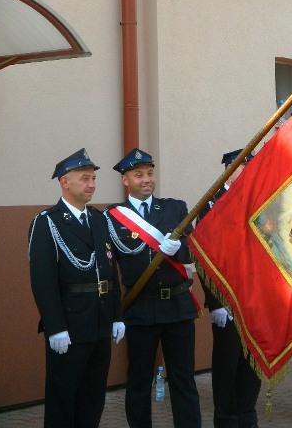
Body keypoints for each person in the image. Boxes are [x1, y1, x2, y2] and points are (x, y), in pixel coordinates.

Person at [28, 148, 124, 428]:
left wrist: (117, 315)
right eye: (85, 178)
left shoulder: (98, 219)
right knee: (63, 398)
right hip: (70, 325)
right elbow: (42, 280)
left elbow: (109, 270)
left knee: (93, 397)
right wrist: (55, 326)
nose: (91, 184)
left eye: (93, 178)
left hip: (100, 322)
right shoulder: (47, 222)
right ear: (64, 182)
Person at [105, 148, 200, 428]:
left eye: (149, 173)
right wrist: (115, 314)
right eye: (138, 175)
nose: (146, 179)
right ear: (125, 180)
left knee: (183, 380)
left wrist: (178, 248)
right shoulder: (112, 217)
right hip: (140, 308)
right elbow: (109, 270)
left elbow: (194, 251)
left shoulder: (175, 208)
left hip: (177, 308)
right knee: (138, 381)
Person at [198, 149, 261, 428]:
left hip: (255, 299)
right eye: (244, 167)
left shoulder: (258, 202)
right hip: (227, 300)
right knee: (227, 363)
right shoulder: (211, 205)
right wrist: (216, 303)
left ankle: (247, 415)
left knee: (252, 360)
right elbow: (204, 259)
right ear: (229, 169)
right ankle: (226, 420)